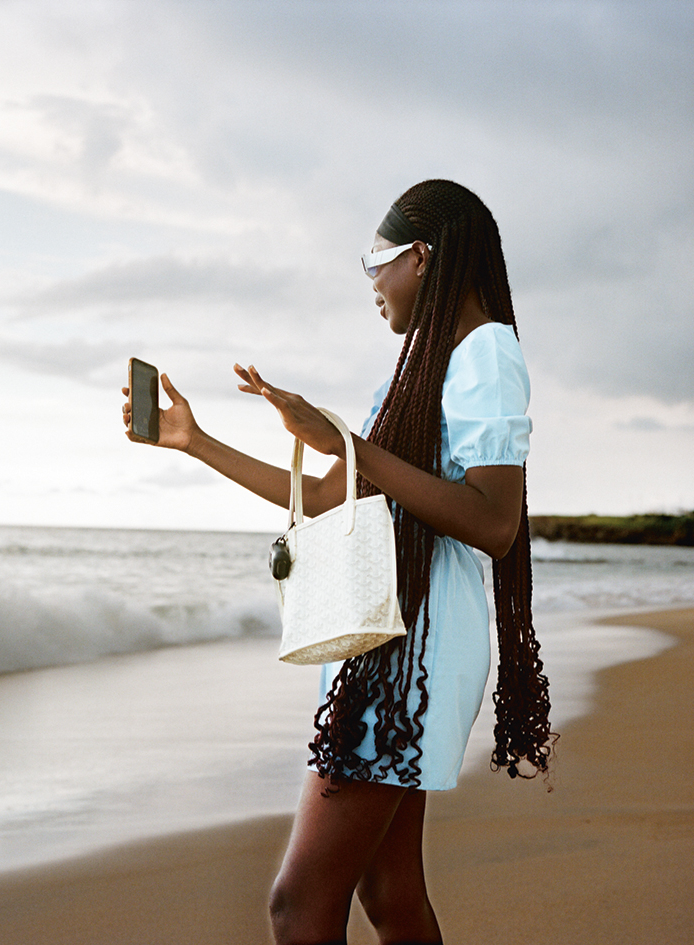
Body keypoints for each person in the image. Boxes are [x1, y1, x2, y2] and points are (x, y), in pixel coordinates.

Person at [122, 179, 552, 945]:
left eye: (375, 263)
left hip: (411, 649)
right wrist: (196, 441)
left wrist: (348, 444)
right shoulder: (417, 369)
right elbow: (323, 498)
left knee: (297, 904)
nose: (372, 284)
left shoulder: (484, 351)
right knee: (390, 893)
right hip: (386, 640)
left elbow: (494, 521)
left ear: (420, 258)